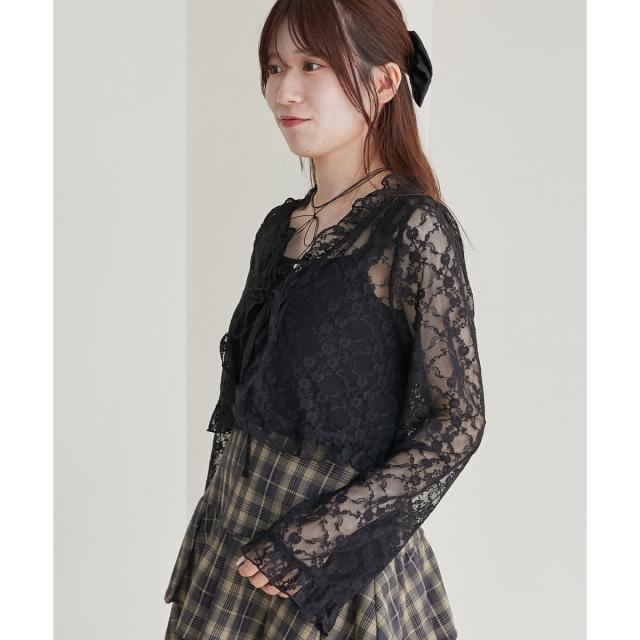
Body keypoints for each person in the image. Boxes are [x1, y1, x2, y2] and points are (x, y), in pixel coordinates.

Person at [164, 1, 486, 638]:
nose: (284, 90)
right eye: (274, 67)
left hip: (327, 562)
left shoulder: (411, 227)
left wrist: (316, 539)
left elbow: (458, 421)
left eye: (313, 65)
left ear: (384, 81)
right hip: (235, 538)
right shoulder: (278, 228)